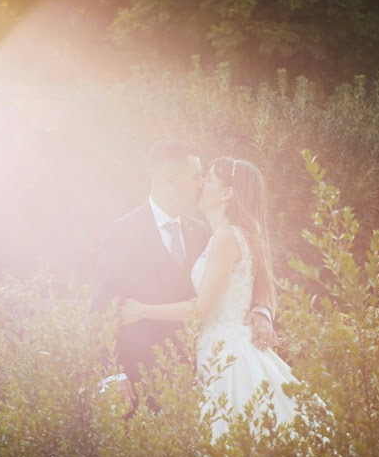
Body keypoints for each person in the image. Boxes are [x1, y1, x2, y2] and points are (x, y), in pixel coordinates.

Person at [120, 156, 299, 439]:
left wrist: (142, 310)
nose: (202, 184)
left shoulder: (226, 237)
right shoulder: (222, 234)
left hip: (225, 354)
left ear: (227, 193)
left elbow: (201, 308)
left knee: (230, 439)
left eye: (210, 179)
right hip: (223, 347)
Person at [92, 141, 276, 411]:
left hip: (203, 372)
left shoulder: (203, 232)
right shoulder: (124, 232)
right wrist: (111, 373)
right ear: (170, 179)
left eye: (205, 177)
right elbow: (101, 306)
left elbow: (248, 277)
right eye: (196, 176)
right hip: (141, 379)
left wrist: (262, 311)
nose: (201, 183)